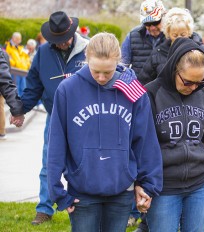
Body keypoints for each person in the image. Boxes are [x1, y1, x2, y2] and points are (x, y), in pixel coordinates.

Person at [47, 32, 163, 232]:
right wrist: (57, 191)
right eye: (96, 71)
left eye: (108, 72)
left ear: (118, 61)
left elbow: (145, 141)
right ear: (86, 59)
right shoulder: (68, 89)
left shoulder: (132, 91)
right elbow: (57, 142)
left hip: (121, 189)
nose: (101, 78)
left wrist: (147, 184)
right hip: (82, 190)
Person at [145, 37, 204, 232]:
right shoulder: (151, 93)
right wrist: (143, 184)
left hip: (199, 186)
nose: (193, 87)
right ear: (174, 69)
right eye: (188, 81)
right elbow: (142, 146)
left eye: (200, 81)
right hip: (164, 188)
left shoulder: (202, 95)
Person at [10, 11, 89, 225]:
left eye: (64, 39)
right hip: (55, 117)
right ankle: (45, 208)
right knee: (49, 163)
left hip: (86, 118)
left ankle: (84, 205)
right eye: (57, 40)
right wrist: (20, 111)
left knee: (84, 162)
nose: (61, 43)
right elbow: (33, 86)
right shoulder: (44, 52)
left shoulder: (89, 49)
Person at [138, 7, 204, 119]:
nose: (180, 39)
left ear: (189, 32)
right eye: (175, 35)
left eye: (183, 34)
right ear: (168, 34)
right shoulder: (158, 54)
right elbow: (141, 85)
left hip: (197, 113)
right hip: (166, 114)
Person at [121, 0, 166, 75]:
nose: (152, 28)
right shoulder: (132, 36)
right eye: (147, 23)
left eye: (155, 23)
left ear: (164, 17)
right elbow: (123, 66)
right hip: (139, 85)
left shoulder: (173, 35)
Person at [0, 50, 24, 139]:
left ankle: (2, 131)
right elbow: (6, 81)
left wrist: (17, 110)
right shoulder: (5, 53)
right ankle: (2, 131)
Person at [4, 32, 31, 96]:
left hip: (23, 70)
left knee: (23, 87)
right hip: (14, 71)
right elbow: (6, 57)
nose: (20, 40)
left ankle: (22, 102)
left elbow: (26, 57)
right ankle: (16, 103)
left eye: (20, 39)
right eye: (18, 39)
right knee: (16, 87)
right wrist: (15, 64)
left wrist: (27, 65)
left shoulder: (20, 47)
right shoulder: (7, 46)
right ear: (13, 38)